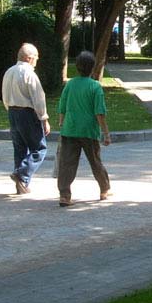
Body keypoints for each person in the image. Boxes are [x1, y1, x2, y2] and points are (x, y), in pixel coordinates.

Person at [55, 50, 112, 207]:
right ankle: (104, 190)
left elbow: (62, 105)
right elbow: (99, 113)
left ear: (77, 67)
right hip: (89, 131)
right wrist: (106, 134)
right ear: (93, 68)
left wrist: (61, 122)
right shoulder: (95, 87)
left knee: (67, 164)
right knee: (95, 161)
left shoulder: (70, 84)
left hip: (70, 129)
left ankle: (64, 196)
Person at [1, 43, 50, 195]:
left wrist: (10, 109)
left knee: (20, 149)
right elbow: (38, 98)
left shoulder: (9, 72)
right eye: (36, 58)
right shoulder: (29, 74)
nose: (36, 61)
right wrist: (44, 119)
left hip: (12, 112)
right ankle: (21, 174)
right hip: (27, 113)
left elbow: (4, 95)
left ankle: (21, 185)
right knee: (39, 149)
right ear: (29, 58)